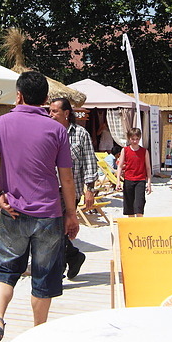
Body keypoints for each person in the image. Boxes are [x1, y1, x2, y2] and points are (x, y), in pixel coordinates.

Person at [0, 71, 76, 342]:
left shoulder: (1, 123)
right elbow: (66, 179)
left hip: (13, 212)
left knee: (5, 270)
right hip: (48, 215)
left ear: (18, 95)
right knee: (43, 278)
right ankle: (38, 335)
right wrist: (71, 214)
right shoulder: (57, 129)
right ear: (45, 99)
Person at [49, 97, 98, 280]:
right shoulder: (48, 132)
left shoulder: (80, 134)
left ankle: (59, 270)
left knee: (58, 231)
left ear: (67, 113)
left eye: (55, 111)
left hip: (71, 190)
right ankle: (73, 256)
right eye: (50, 111)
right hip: (49, 190)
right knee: (54, 231)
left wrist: (90, 189)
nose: (50, 115)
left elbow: (90, 162)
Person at [116, 127, 152, 216]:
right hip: (128, 180)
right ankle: (131, 227)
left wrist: (149, 183)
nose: (135, 141)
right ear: (129, 138)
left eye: (137, 139)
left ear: (139, 139)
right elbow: (120, 166)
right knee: (129, 207)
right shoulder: (125, 150)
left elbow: (148, 168)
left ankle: (139, 227)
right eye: (133, 139)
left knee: (139, 206)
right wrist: (118, 182)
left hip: (140, 180)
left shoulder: (144, 151)